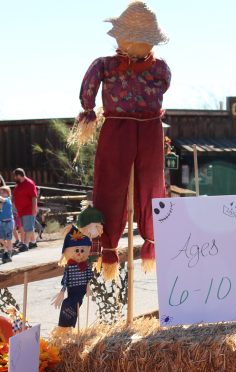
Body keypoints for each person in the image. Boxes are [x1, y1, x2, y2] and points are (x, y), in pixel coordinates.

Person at [69, 1, 171, 280]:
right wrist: (89, 109)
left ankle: (146, 244)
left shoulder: (118, 66)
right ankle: (111, 249)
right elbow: (88, 92)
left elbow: (88, 93)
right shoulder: (112, 65)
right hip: (128, 127)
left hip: (143, 128)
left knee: (149, 186)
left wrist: (89, 109)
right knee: (117, 185)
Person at [12, 168, 39, 252]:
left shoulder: (29, 183)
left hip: (28, 209)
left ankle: (25, 244)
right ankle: (33, 242)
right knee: (26, 227)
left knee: (28, 227)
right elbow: (14, 196)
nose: (14, 178)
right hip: (20, 210)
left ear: (19, 175)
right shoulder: (18, 185)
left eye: (15, 176)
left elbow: (34, 197)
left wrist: (34, 208)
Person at [0, 187, 15, 263]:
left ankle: (7, 253)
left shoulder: (7, 199)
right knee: (1, 239)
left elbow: (2, 199)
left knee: (8, 239)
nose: (1, 194)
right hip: (2, 222)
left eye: (3, 192)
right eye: (0, 193)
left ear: (8, 193)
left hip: (8, 222)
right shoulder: (1, 203)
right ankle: (8, 250)